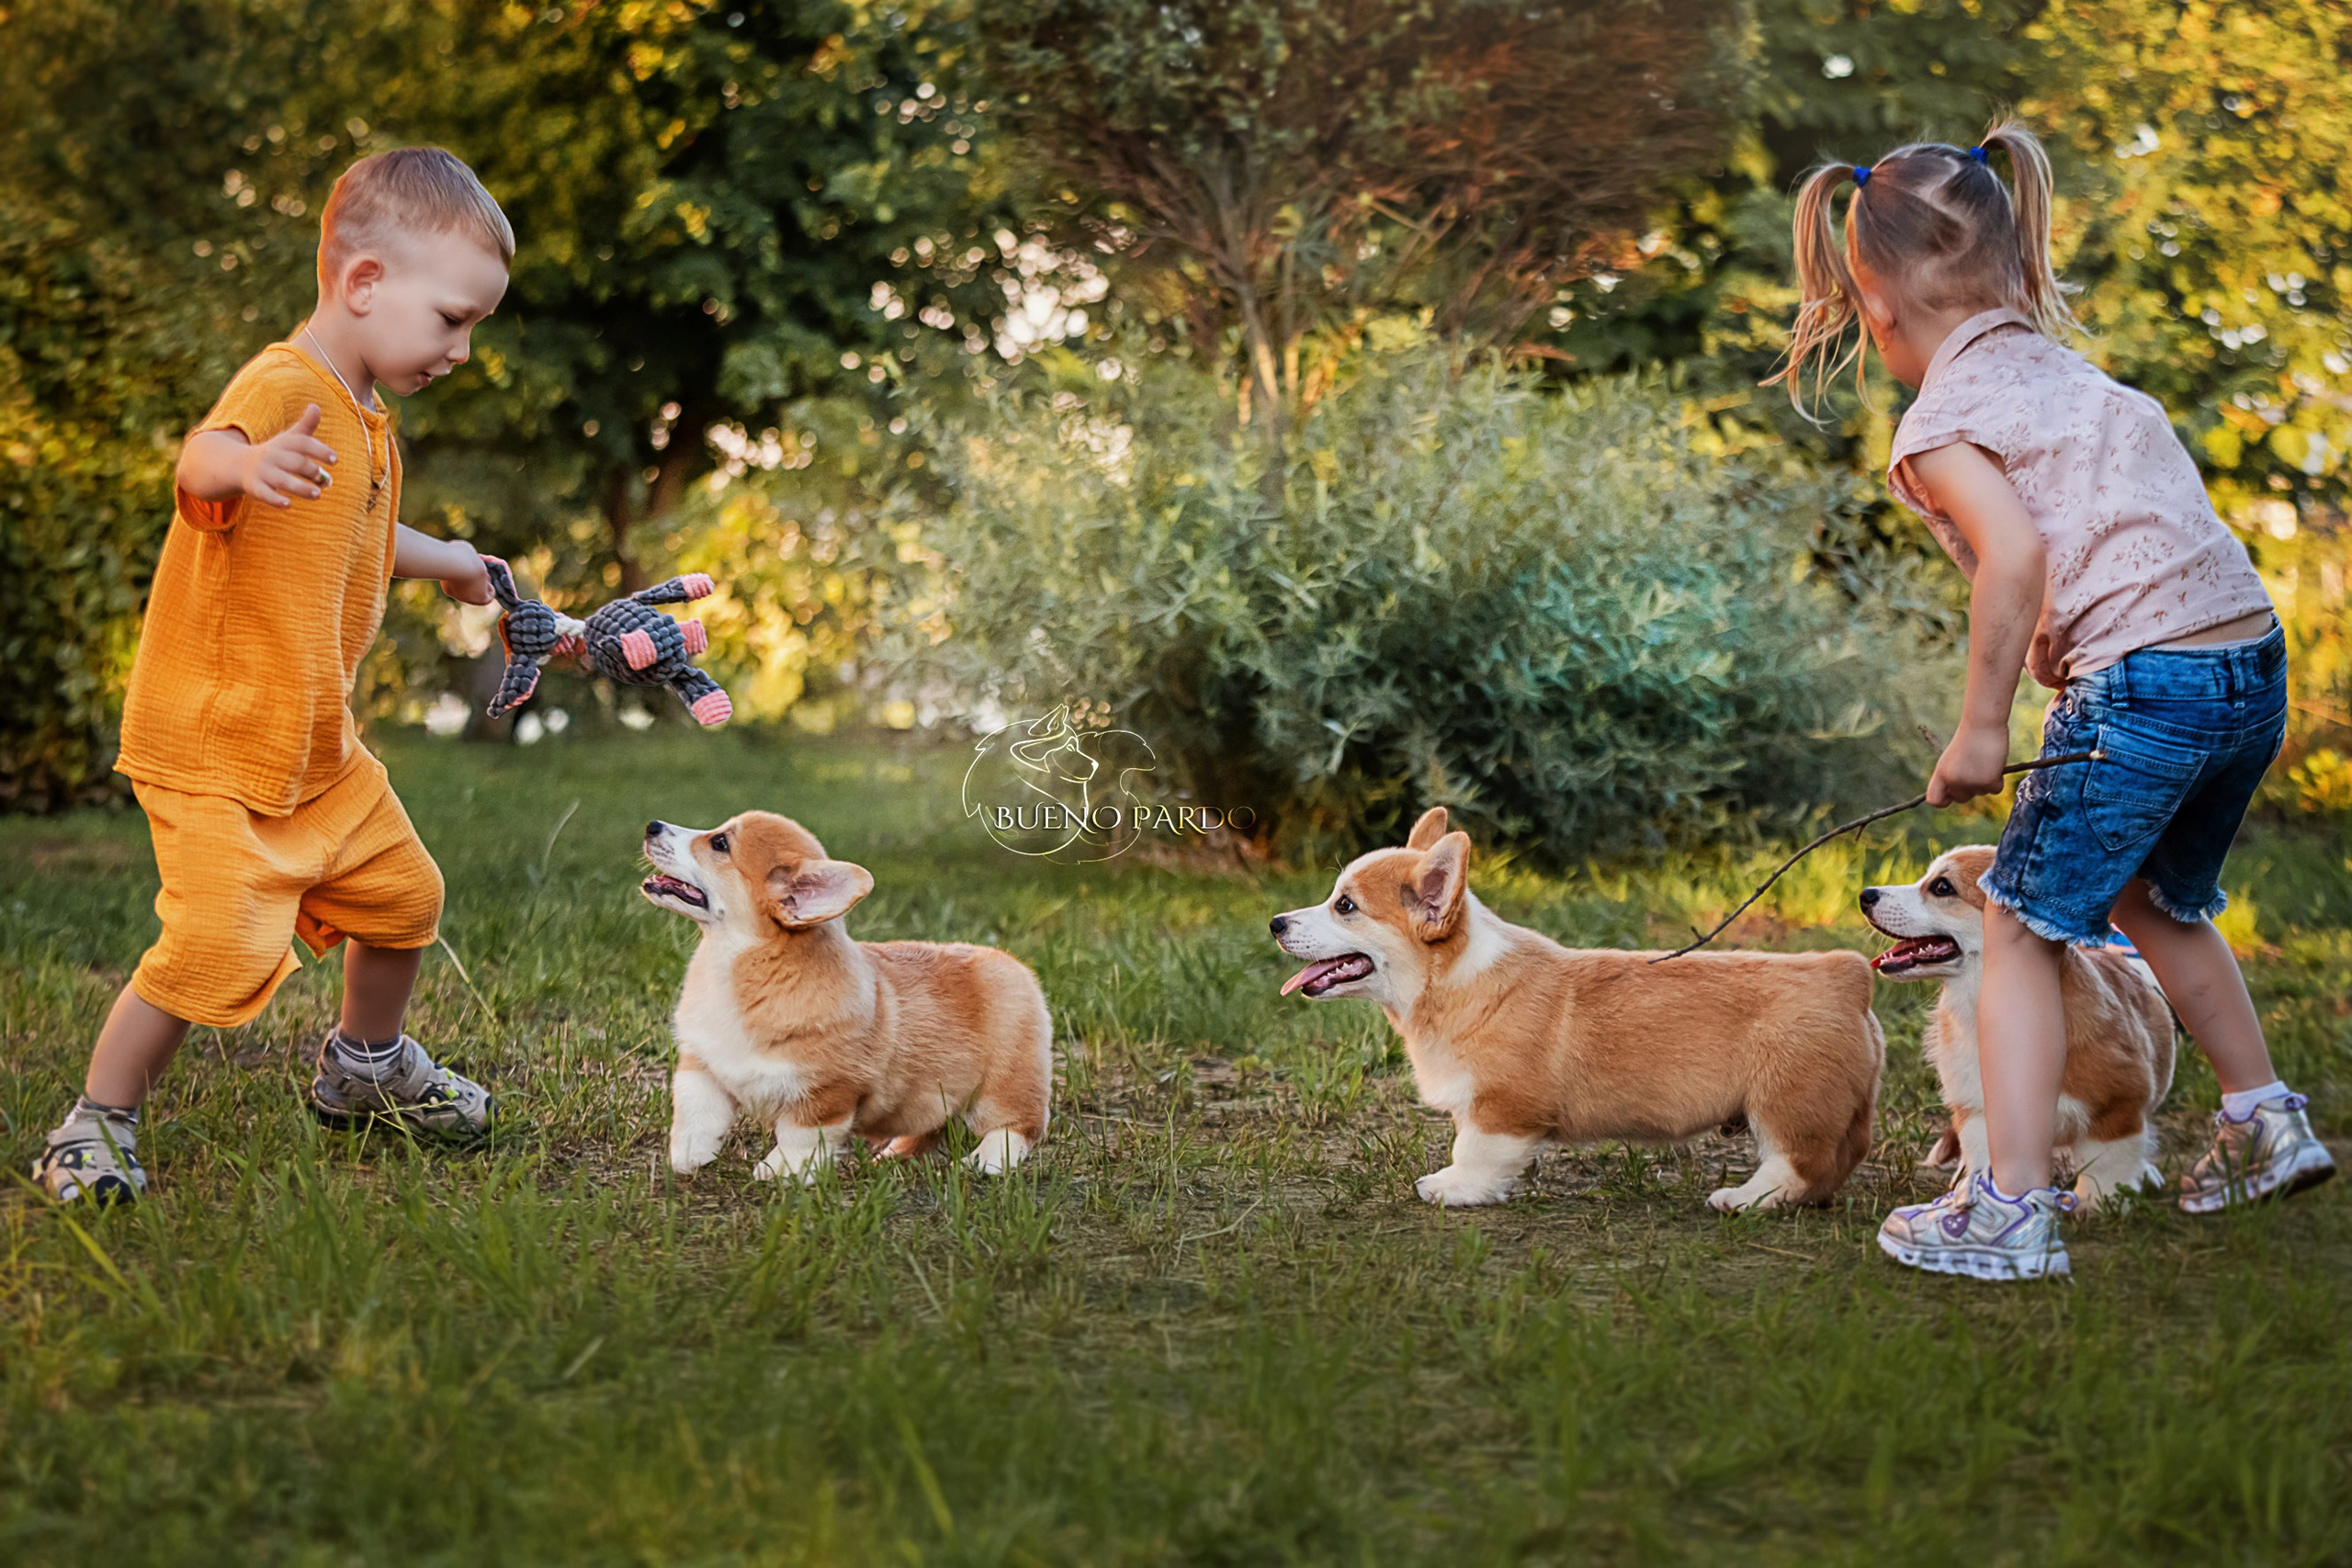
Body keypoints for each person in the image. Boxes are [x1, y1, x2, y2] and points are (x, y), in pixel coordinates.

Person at [1766, 118, 2335, 1280]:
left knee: (2020, 925)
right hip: (2246, 666)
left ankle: (2007, 1207)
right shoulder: (2085, 384)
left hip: (2142, 683)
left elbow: (2017, 558)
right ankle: (2262, 1116)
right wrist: (2063, 654)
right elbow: (2127, 536)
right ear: (2015, 267)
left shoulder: (1941, 422)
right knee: (2151, 897)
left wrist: (1982, 728)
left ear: (1871, 307)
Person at [32, 147, 513, 1203]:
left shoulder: (362, 420)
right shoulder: (287, 386)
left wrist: (455, 565)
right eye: (452, 319)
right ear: (365, 283)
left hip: (310, 747)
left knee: (403, 894)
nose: (465, 349)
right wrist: (245, 466)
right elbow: (201, 460)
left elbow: (361, 533)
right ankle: (95, 1121)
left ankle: (364, 1068)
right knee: (213, 941)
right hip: (213, 744)